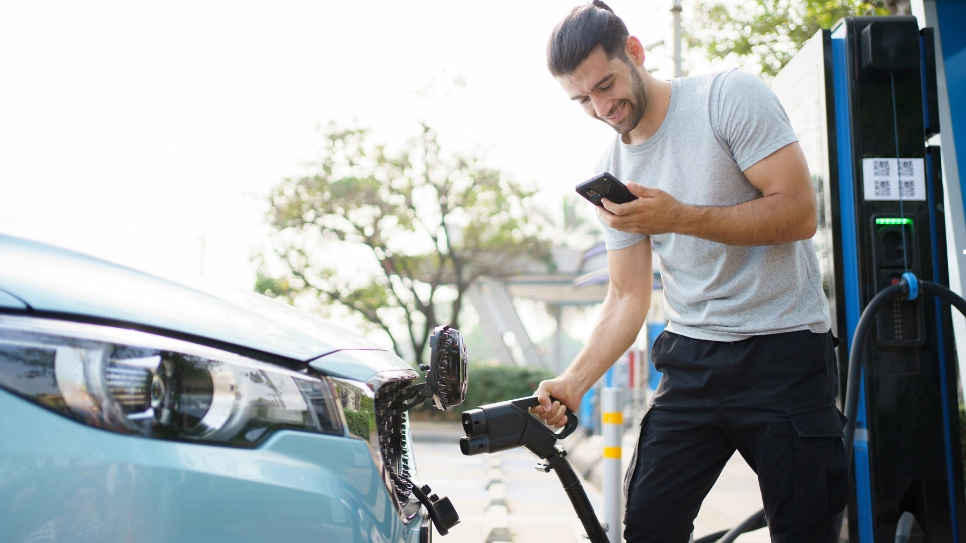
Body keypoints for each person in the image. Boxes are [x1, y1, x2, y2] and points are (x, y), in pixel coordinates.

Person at [531, 2, 851, 541]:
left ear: (634, 51)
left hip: (785, 351)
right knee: (650, 524)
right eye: (583, 99)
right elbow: (626, 296)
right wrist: (573, 383)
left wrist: (678, 216)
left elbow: (799, 213)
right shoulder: (612, 168)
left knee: (806, 529)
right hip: (694, 359)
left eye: (607, 85)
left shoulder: (728, 96)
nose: (602, 107)